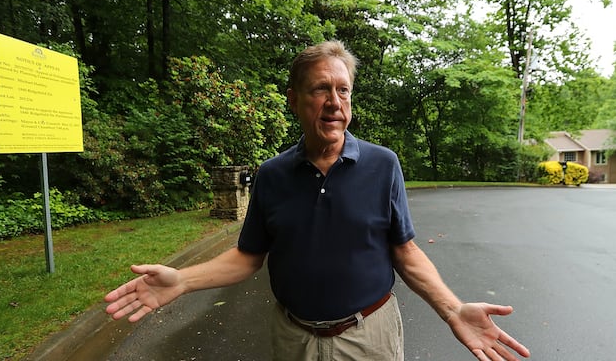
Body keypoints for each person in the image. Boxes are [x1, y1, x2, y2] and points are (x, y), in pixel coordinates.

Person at [104, 40, 530, 361]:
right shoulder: (273, 175)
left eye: (343, 91)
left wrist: (452, 310)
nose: (334, 103)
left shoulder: (383, 165)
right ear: (293, 99)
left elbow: (405, 251)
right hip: (294, 337)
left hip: (371, 336)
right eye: (320, 90)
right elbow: (248, 257)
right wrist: (182, 281)